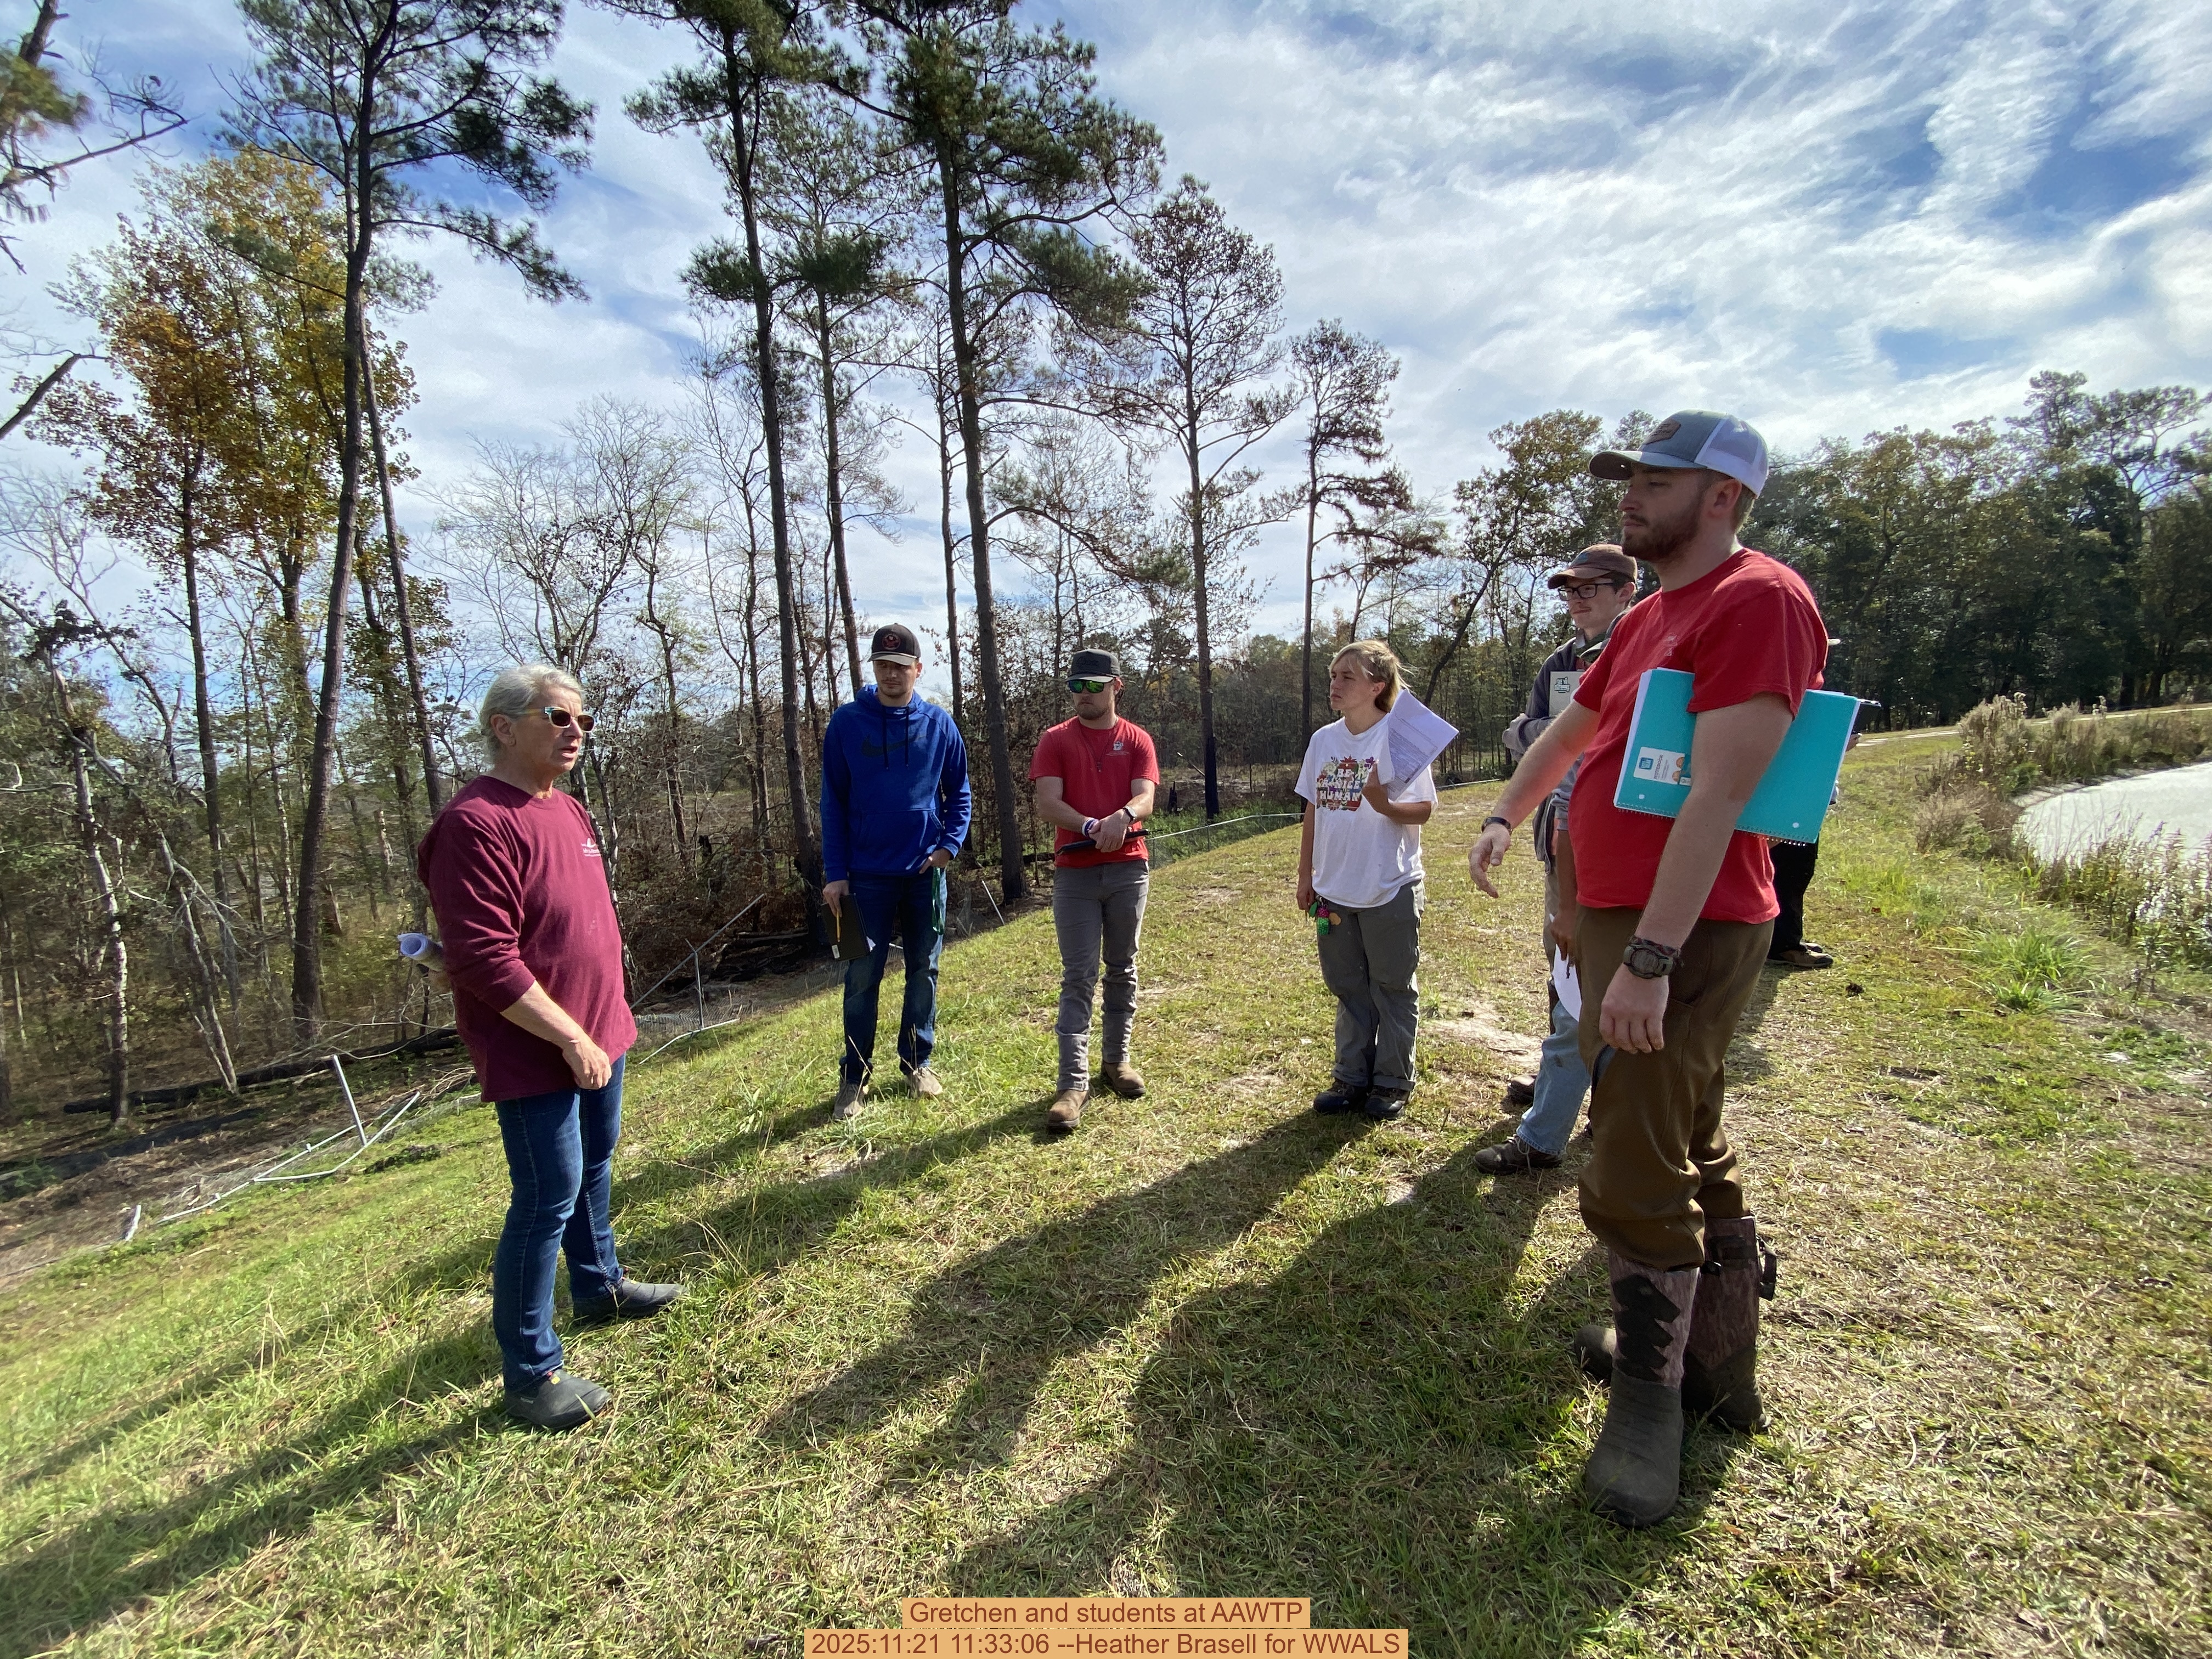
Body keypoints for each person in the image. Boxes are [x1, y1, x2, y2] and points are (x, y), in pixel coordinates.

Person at [1469, 410, 1827, 1527]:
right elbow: (1574, 733)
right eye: (1629, 477)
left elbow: (1721, 795)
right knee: (1683, 1129)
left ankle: (1647, 1407)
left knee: (1630, 1155)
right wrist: (1505, 811)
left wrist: (1651, 961)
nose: (1631, 495)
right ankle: (1718, 1372)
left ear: (1723, 495)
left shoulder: (1758, 600)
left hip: (1687, 928)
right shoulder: (1648, 616)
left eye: (1657, 479)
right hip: (1620, 919)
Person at [420, 664, 682, 1431]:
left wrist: (604, 1024)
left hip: (604, 1034)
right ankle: (531, 1375)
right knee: (544, 1200)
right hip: (539, 1050)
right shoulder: (474, 823)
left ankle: (599, 1287)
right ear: (504, 726)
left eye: (583, 721)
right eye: (557, 717)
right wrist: (568, 1037)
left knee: (594, 1168)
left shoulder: (566, 811)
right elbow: (484, 958)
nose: (576, 731)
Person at [1485, 545, 1639, 1171]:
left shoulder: (1643, 641)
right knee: (1565, 970)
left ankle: (1579, 1113)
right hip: (1560, 834)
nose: (1577, 599)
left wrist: (1553, 733)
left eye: (1591, 588)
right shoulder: (1562, 659)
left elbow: (1586, 738)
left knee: (1597, 976)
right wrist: (1548, 736)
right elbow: (1527, 734)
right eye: (1570, 590)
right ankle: (1565, 1081)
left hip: (1618, 837)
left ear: (1628, 590)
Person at [821, 623, 972, 1121]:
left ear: (917, 670)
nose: (890, 674)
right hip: (865, 877)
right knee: (862, 977)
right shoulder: (846, 724)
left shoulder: (939, 725)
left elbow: (960, 795)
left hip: (925, 874)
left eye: (900, 666)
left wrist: (948, 848)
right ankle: (855, 1077)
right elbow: (833, 804)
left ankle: (917, 1063)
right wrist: (835, 873)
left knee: (924, 970)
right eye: (882, 666)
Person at [1295, 640, 1438, 1122]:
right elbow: (1313, 807)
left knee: (1392, 986)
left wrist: (1385, 805)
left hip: (1389, 887)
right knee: (1348, 986)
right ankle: (1351, 1077)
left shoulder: (1400, 739)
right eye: (1333, 675)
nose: (1334, 684)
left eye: (1347, 677)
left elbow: (1424, 809)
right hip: (1334, 889)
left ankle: (1393, 1082)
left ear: (1377, 686)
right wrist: (1306, 875)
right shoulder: (1324, 741)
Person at [1029, 648, 1160, 1132]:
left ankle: (1117, 1061)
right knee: (1078, 976)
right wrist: (1090, 826)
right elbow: (1048, 802)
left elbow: (1145, 795)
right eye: (1076, 687)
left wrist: (1122, 817)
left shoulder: (1138, 739)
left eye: (1094, 686)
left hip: (1129, 870)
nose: (1084, 695)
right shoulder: (1055, 740)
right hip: (1076, 875)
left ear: (1116, 687)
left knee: (1123, 968)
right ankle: (1072, 1083)